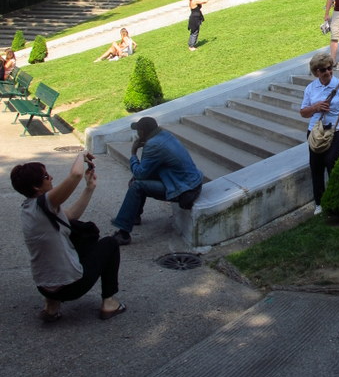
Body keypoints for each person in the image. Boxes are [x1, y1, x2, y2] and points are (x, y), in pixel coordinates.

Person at [10, 151, 125, 322]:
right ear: (36, 187)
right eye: (46, 176)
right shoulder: (46, 202)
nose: (51, 178)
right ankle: (109, 303)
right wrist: (81, 155)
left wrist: (89, 188)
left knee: (68, 244)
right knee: (109, 243)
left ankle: (51, 306)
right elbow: (76, 174)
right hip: (72, 287)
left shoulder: (29, 208)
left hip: (43, 286)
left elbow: (70, 215)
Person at [111, 117, 203, 245]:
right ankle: (134, 217)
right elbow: (146, 170)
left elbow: (140, 173)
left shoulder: (153, 145)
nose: (137, 134)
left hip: (185, 189)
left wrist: (133, 153)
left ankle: (124, 234)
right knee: (137, 181)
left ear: (142, 132)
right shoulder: (164, 135)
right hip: (190, 182)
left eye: (138, 131)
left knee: (136, 186)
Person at [300, 52, 339, 215]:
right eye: (323, 69)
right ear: (316, 72)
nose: (327, 72)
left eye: (329, 68)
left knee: (331, 160)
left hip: (338, 128)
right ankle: (319, 202)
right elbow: (303, 112)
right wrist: (316, 107)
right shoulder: (311, 88)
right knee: (316, 166)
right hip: (316, 131)